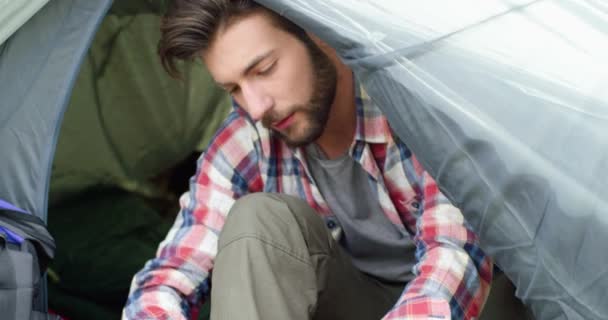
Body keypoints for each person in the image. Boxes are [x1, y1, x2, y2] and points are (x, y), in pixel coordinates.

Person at [123, 1, 497, 319]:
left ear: (317, 33)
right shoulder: (248, 138)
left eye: (264, 69)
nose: (255, 106)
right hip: (360, 299)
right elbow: (169, 277)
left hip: (473, 302)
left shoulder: (415, 106)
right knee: (258, 220)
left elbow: (456, 253)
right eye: (234, 88)